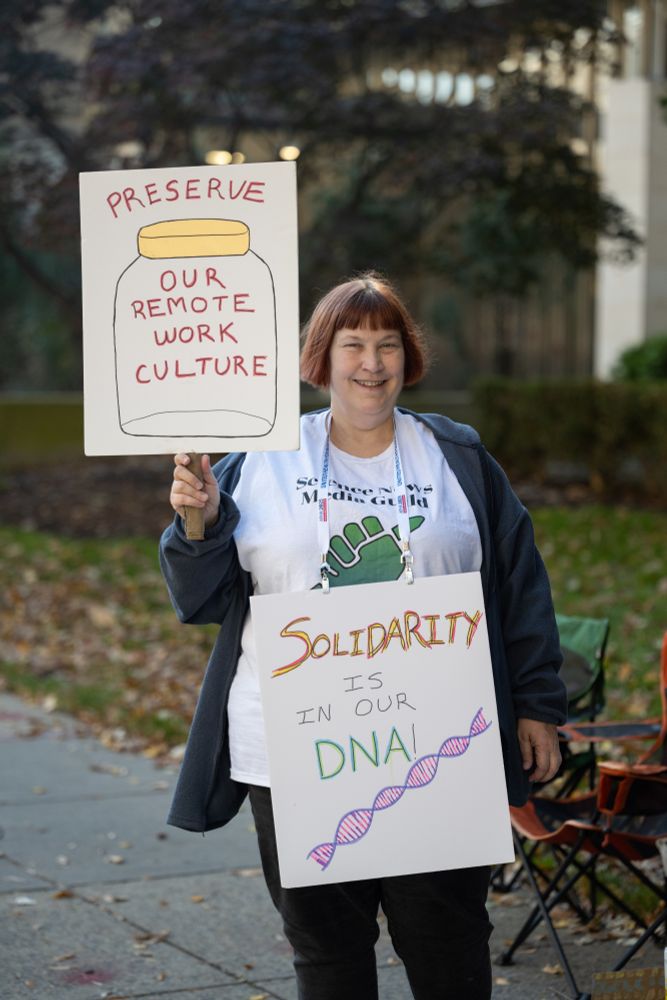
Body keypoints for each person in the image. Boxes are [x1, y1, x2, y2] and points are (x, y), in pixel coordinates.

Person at [160, 272, 567, 1000]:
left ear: (408, 359)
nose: (371, 363)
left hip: (437, 749)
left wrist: (536, 703)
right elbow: (199, 601)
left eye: (387, 345)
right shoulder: (258, 461)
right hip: (295, 752)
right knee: (329, 955)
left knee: (447, 949)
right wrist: (198, 524)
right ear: (321, 358)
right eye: (352, 344)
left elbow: (517, 587)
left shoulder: (458, 458)